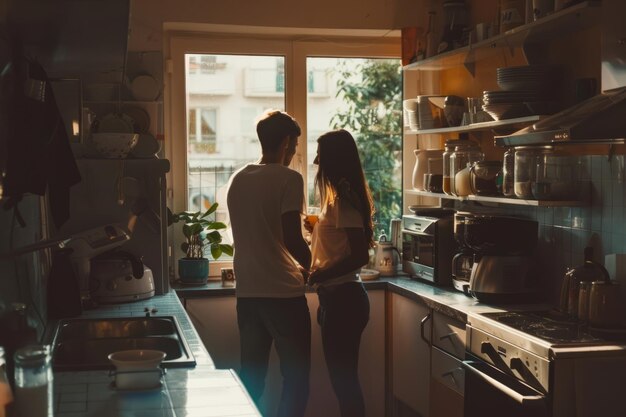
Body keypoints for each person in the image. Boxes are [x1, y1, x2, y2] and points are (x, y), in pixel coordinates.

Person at [226, 110, 312, 417]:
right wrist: (313, 268)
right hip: (283, 295)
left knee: (251, 379)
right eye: (295, 147)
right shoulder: (289, 178)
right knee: (297, 380)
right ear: (287, 142)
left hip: (247, 292)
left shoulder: (238, 179)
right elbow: (291, 237)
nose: (294, 154)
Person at [305, 129, 374, 417]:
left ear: (334, 159)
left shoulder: (343, 203)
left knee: (344, 384)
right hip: (337, 299)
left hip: (344, 300)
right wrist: (316, 232)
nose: (316, 161)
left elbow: (359, 256)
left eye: (321, 154)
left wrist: (319, 274)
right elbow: (341, 247)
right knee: (342, 382)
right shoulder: (337, 202)